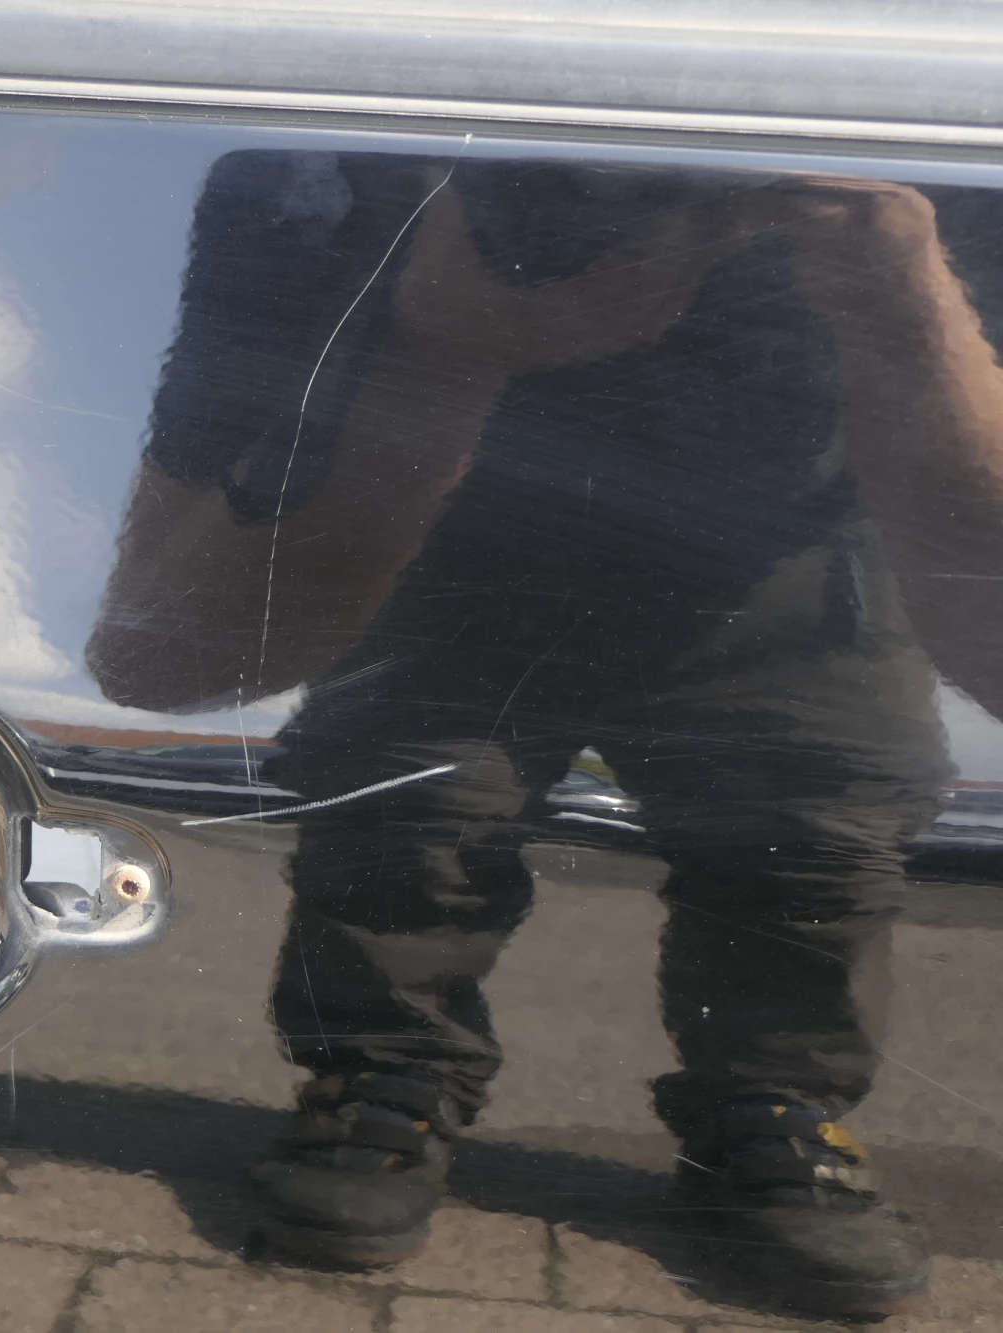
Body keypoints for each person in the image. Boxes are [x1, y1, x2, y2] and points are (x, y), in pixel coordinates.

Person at [88, 149, 1003, 1318]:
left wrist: (901, 285)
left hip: (785, 558)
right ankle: (383, 1075)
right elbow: (158, 644)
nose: (653, 194)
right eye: (582, 179)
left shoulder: (924, 170)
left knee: (815, 812)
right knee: (415, 803)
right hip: (463, 527)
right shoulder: (337, 175)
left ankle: (776, 1104)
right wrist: (444, 342)